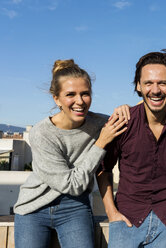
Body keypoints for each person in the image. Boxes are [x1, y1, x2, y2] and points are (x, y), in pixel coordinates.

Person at [13, 59, 127, 248]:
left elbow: (141, 116)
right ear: (56, 98)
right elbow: (72, 184)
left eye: (85, 94)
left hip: (75, 206)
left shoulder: (100, 123)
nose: (80, 101)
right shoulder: (42, 133)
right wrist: (100, 143)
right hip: (34, 207)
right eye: (70, 95)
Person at [96, 49, 166, 248]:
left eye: (163, 83)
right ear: (138, 86)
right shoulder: (122, 122)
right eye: (148, 83)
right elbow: (103, 169)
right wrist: (111, 213)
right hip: (126, 219)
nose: (156, 89)